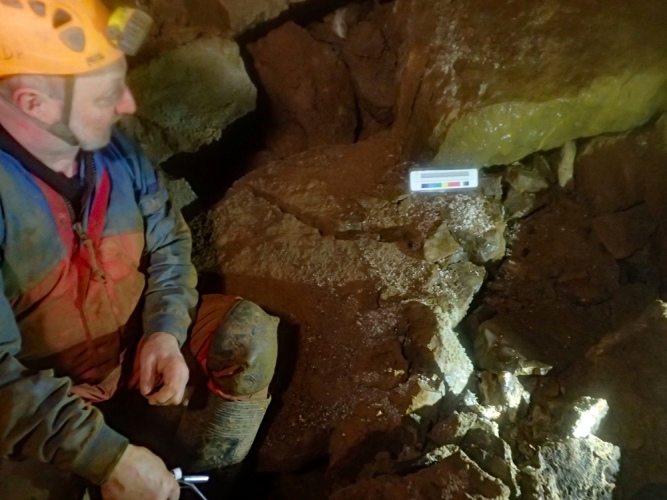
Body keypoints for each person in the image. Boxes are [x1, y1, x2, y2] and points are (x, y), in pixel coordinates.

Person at [0, 1, 278, 499]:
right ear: (33, 103)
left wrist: (165, 331)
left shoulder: (115, 154)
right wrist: (105, 457)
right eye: (107, 93)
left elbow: (170, 243)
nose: (127, 104)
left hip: (130, 360)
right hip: (40, 405)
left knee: (247, 337)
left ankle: (204, 485)